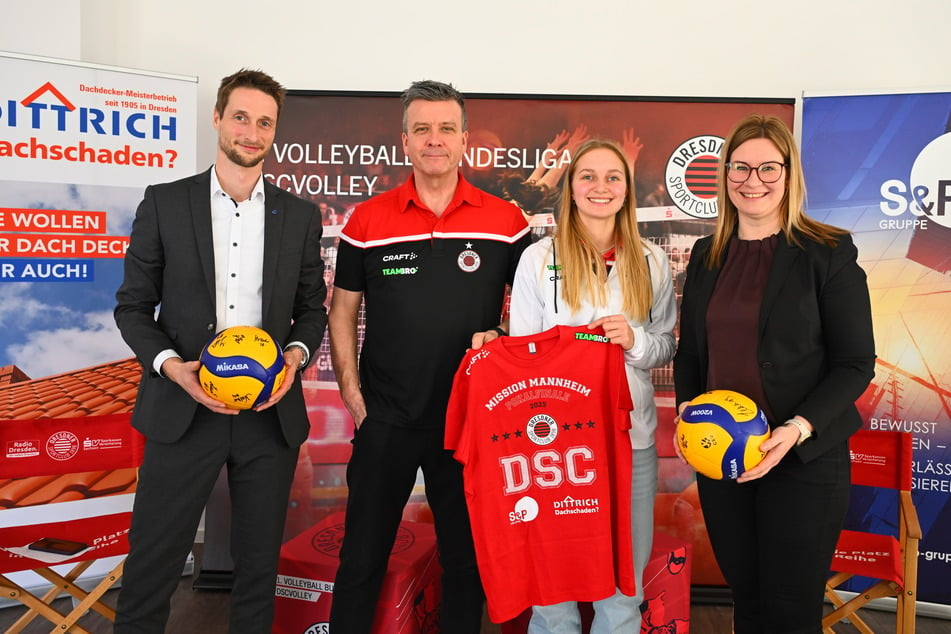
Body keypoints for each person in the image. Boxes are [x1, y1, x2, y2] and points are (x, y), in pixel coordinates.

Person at [113, 69, 327, 633]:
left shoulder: (299, 215)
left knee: (258, 571)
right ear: (217, 118)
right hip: (183, 410)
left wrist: (295, 358)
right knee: (153, 563)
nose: (251, 132)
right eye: (241, 117)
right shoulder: (164, 203)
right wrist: (173, 368)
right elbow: (133, 307)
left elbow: (312, 309)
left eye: (264, 122)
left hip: (268, 412)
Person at [327, 80, 532, 634]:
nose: (433, 139)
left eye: (445, 128)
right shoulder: (366, 221)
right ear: (405, 140)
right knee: (361, 559)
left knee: (466, 564)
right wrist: (352, 392)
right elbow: (341, 311)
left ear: (465, 140)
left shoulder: (506, 221)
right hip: (386, 418)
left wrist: (504, 336)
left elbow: (537, 311)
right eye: (422, 129)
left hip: (471, 423)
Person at [673, 114, 875, 633]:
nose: (753, 180)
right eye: (740, 167)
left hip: (802, 457)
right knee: (749, 599)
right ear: (725, 175)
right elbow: (691, 352)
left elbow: (856, 363)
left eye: (768, 167)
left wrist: (796, 428)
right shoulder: (706, 254)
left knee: (790, 609)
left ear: (789, 174)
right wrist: (687, 415)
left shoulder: (828, 251)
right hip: (725, 457)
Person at [509, 138, 677, 633]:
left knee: (624, 593)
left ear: (627, 191)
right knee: (553, 593)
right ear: (571, 188)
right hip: (555, 449)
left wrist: (636, 342)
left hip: (631, 443)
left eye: (612, 177)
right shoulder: (538, 259)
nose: (599, 187)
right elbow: (521, 356)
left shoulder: (651, 261)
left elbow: (666, 346)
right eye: (588, 176)